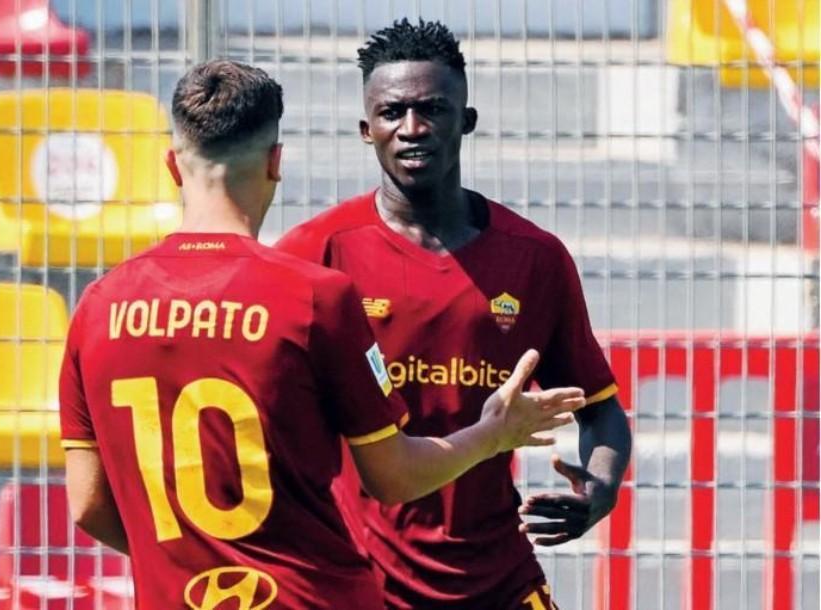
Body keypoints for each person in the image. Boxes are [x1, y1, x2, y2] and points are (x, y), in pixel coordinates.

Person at [59, 59, 586, 610]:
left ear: (172, 165)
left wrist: (189, 560)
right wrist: (493, 434)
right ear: (275, 162)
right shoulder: (314, 297)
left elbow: (88, 505)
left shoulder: (99, 306)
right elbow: (396, 476)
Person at [275, 18, 633, 610]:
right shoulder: (317, 253)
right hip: (360, 582)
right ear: (367, 130)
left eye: (432, 110)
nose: (412, 129)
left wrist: (600, 489)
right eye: (392, 114)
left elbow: (601, 411)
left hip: (497, 577)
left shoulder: (534, 259)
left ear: (465, 121)